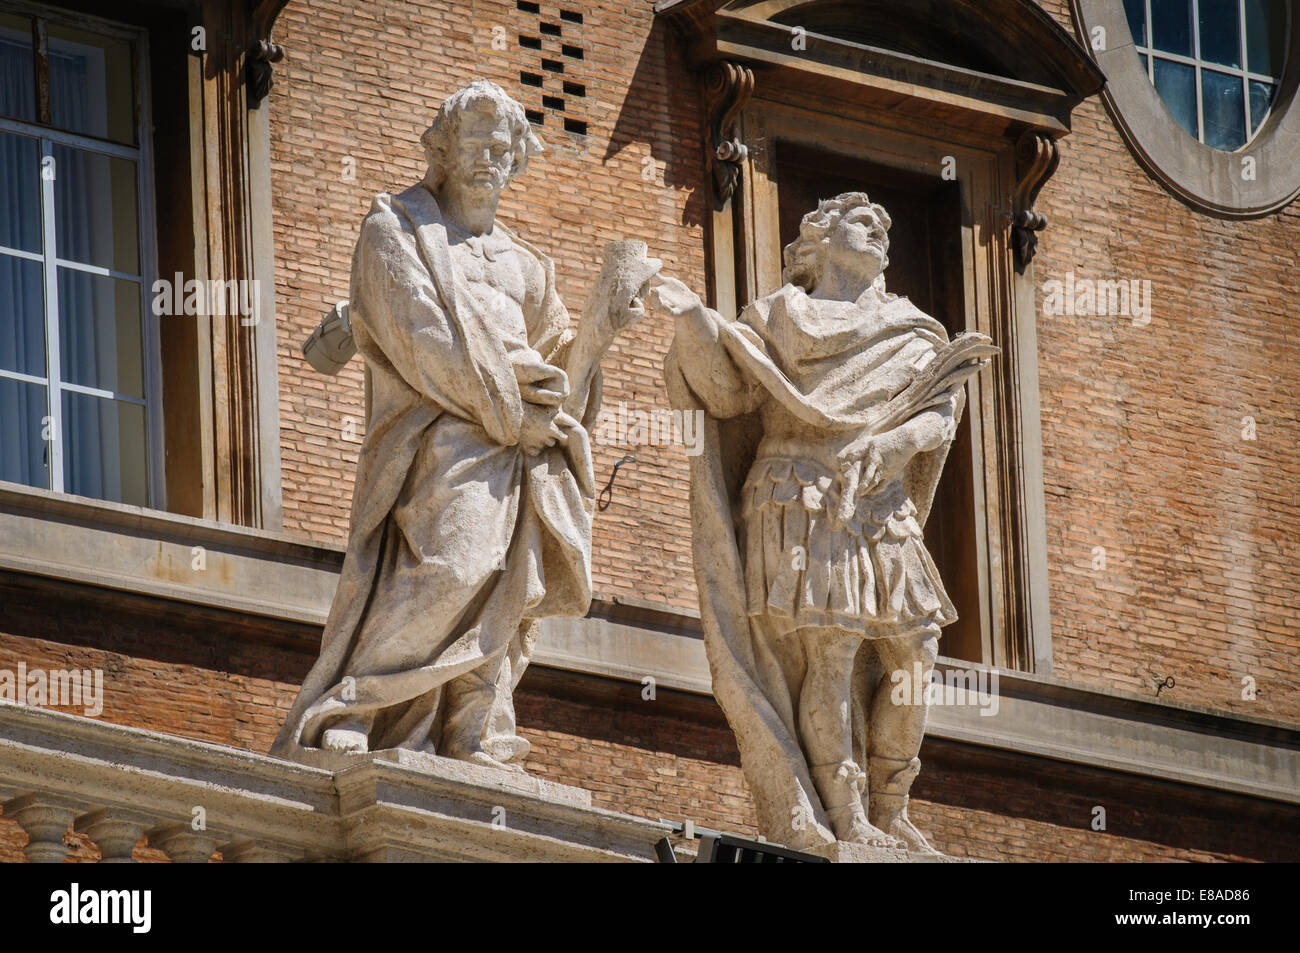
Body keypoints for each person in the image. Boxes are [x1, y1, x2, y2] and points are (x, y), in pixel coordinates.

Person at [272, 81, 648, 772]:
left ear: (517, 161)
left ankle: (469, 732)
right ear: (442, 150)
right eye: (472, 144)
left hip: (523, 448)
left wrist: (602, 328)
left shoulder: (528, 265)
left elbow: (561, 368)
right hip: (439, 435)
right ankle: (350, 705)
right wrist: (516, 408)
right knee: (453, 566)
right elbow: (421, 337)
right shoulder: (397, 229)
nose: (486, 159)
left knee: (508, 584)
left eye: (501, 148)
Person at [657, 192, 993, 852]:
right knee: (832, 655)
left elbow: (937, 412)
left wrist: (895, 445)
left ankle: (892, 801)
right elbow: (727, 394)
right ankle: (847, 813)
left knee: (915, 651)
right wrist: (692, 323)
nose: (882, 230)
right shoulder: (781, 315)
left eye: (886, 225)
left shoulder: (913, 327)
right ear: (818, 234)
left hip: (879, 502)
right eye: (864, 220)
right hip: (798, 489)